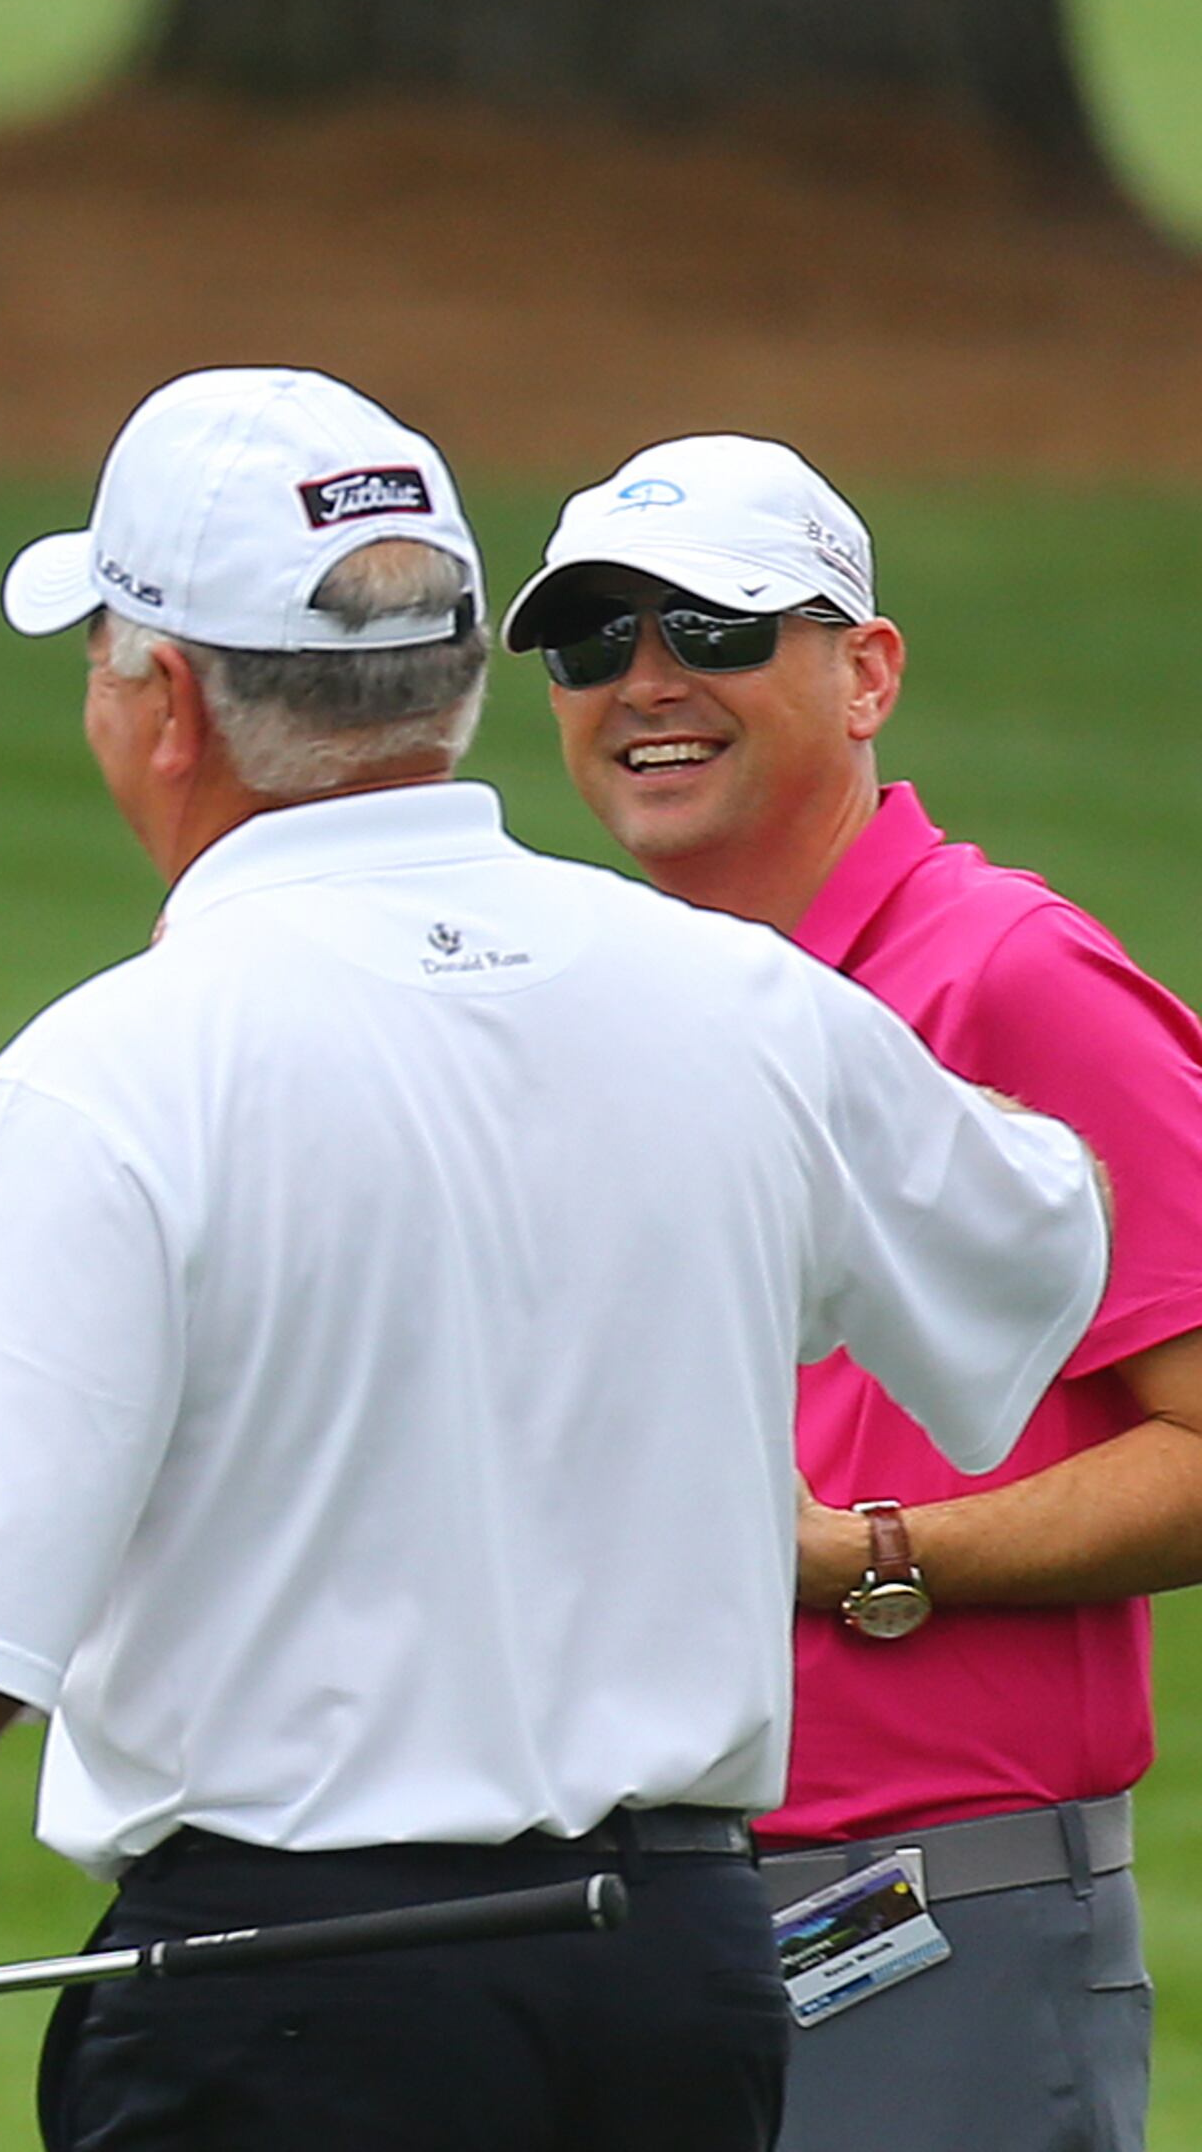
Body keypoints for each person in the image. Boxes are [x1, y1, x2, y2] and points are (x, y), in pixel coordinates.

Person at [0, 369, 1115, 2152]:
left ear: (165, 701)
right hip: (677, 1986)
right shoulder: (748, 1003)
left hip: (293, 2012)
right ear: (456, 682)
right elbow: (1037, 1250)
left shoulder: (112, 1078)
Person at [504, 435, 1202, 2152]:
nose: (647, 687)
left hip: (926, 1929)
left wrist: (871, 1555)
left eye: (717, 633)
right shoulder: (616, 1000)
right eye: (595, 647)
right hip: (629, 1922)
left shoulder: (1010, 975)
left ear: (867, 671)